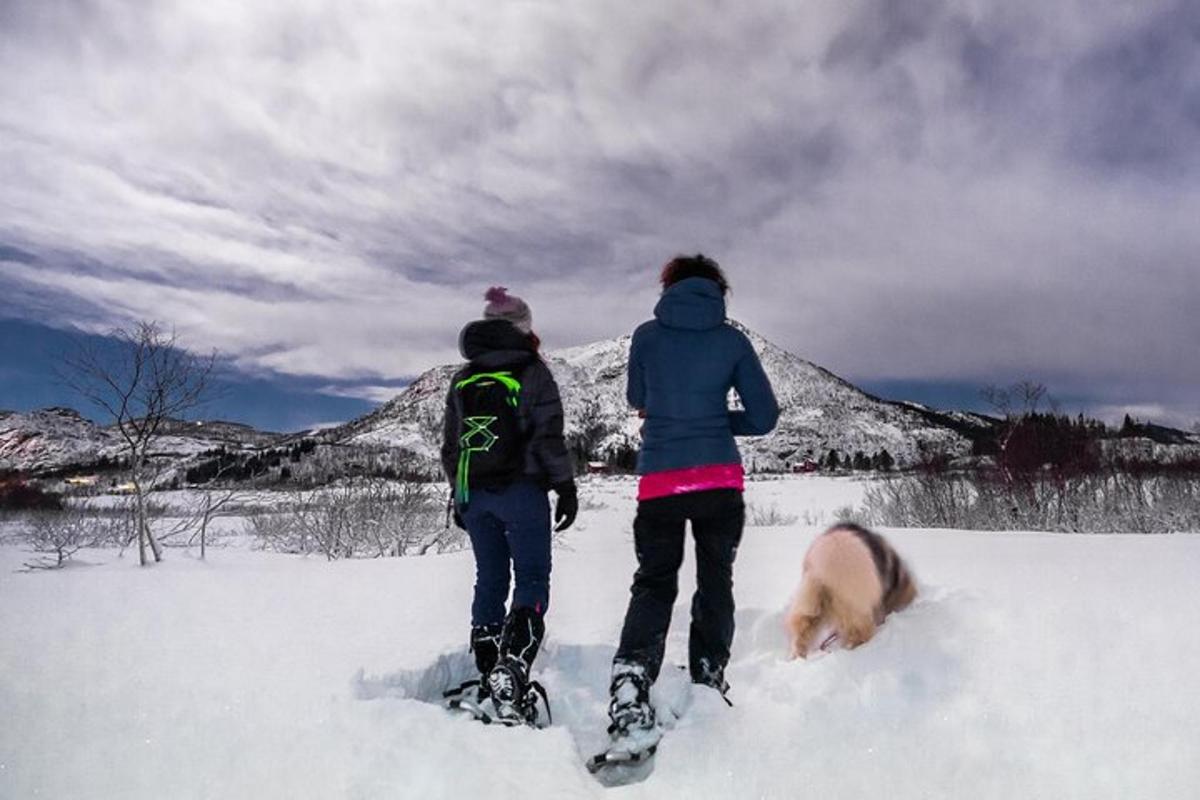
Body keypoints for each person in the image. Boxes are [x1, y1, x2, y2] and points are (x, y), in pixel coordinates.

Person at [607, 255, 779, 741]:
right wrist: (718, 421)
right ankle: (707, 679)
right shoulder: (732, 340)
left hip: (661, 480)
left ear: (669, 287)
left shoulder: (647, 335)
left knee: (655, 583)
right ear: (717, 290)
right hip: (719, 483)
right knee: (715, 580)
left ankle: (630, 683)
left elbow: (635, 396)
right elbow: (764, 418)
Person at [441, 286, 578, 725]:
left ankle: (488, 670)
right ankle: (513, 669)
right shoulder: (532, 370)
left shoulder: (463, 378)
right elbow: (548, 436)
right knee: (533, 578)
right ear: (522, 328)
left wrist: (460, 496)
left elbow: (450, 447)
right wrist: (565, 486)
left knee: (490, 577)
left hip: (474, 494)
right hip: (522, 491)